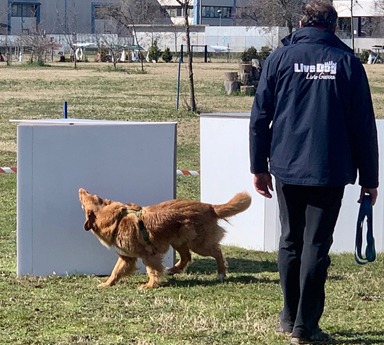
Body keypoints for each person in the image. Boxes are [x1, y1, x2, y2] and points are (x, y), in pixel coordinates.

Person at [249, 1, 378, 344]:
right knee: (316, 245)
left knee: (290, 241)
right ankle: (306, 326)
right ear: (333, 27)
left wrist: (258, 167)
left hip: (287, 166)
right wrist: (370, 179)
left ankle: (289, 317)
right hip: (329, 167)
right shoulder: (348, 63)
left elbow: (260, 116)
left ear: (303, 22)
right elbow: (363, 126)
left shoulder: (279, 59)